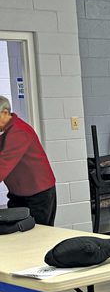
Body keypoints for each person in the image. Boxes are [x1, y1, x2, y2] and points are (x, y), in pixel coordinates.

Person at [0, 95, 57, 226]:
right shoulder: (5, 132)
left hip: (37, 194)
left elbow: (3, 165)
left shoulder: (18, 131)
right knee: (18, 234)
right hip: (18, 193)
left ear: (5, 113)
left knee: (40, 235)